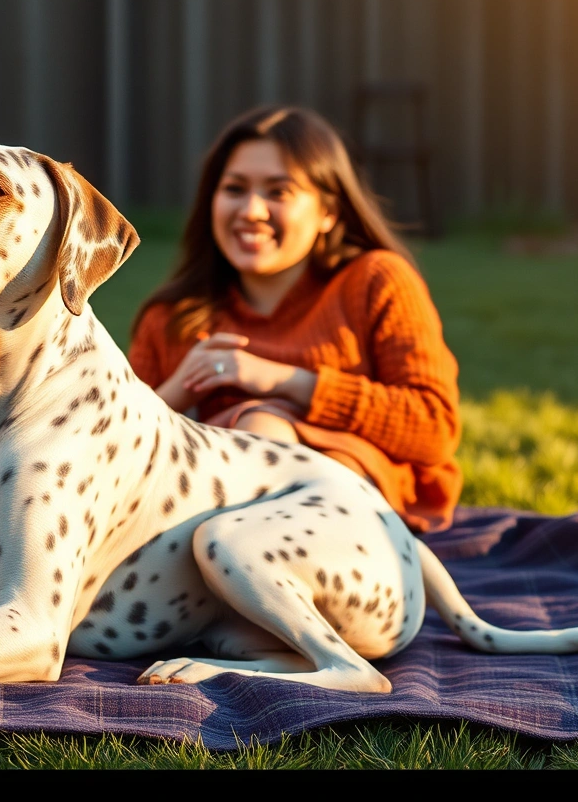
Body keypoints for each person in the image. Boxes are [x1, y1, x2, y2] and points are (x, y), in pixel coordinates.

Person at [127, 106, 462, 533]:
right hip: (211, 515)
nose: (251, 210)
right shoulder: (171, 318)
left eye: (278, 192)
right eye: (234, 188)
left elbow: (433, 428)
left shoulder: (377, 281)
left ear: (329, 212)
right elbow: (111, 451)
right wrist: (179, 389)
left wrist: (287, 382)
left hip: (360, 510)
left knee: (263, 426)